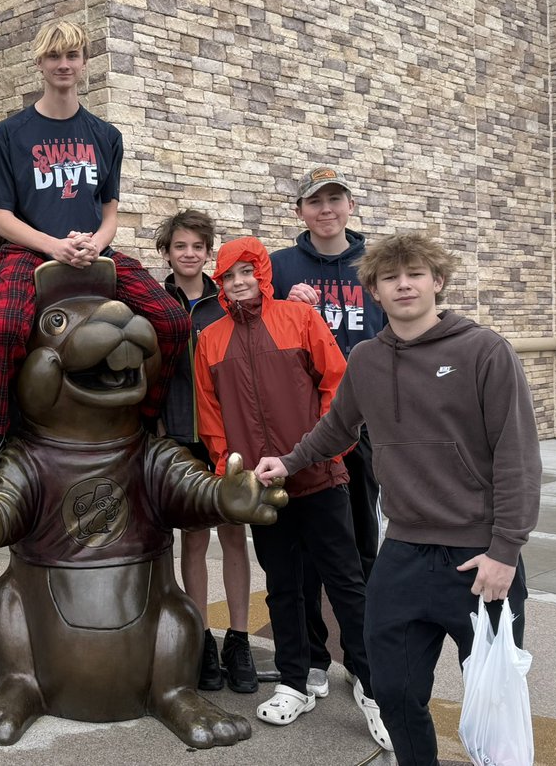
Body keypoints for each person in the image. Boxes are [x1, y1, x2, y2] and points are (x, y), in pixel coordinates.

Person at [255, 232, 541, 766]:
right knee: (394, 690)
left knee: (495, 704)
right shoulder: (365, 358)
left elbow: (517, 455)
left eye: (414, 274)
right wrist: (289, 462)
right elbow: (337, 427)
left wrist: (506, 550)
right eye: (390, 277)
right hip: (404, 553)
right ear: (374, 292)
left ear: (438, 281)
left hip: (478, 557)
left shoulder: (484, 351)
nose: (403, 284)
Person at [0, 18, 189, 477]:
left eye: (71, 56)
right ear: (40, 63)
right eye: (53, 56)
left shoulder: (105, 135)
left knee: (172, 321)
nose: (63, 64)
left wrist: (95, 246)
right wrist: (55, 248)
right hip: (31, 250)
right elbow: (2, 218)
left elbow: (110, 212)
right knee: (4, 332)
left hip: (92, 247)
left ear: (85, 63)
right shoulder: (11, 133)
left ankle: (149, 419)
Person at [194, 236, 389, 749]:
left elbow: (337, 384)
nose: (238, 283)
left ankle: (372, 683)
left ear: (263, 273)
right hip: (260, 488)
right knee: (281, 585)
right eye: (228, 276)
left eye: (246, 273)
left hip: (318, 474)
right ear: (221, 283)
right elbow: (211, 415)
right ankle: (294, 680)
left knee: (345, 581)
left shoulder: (300, 320)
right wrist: (228, 473)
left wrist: (327, 448)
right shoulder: (210, 339)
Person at [269, 165, 386, 698]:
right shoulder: (279, 267)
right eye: (315, 202)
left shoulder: (377, 265)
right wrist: (283, 310)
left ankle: (364, 661)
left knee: (360, 544)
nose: (326, 210)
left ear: (350, 206)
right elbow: (257, 333)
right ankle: (313, 658)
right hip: (300, 428)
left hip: (362, 423)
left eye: (335, 200)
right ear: (300, 212)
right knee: (305, 554)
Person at [154, 209, 255, 694]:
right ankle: (202, 637)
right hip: (178, 436)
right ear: (167, 252)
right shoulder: (154, 302)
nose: (189, 254)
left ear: (207, 252)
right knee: (194, 539)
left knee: (234, 535)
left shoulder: (226, 301)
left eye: (197, 246)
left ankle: (239, 638)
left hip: (226, 437)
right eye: (180, 247)